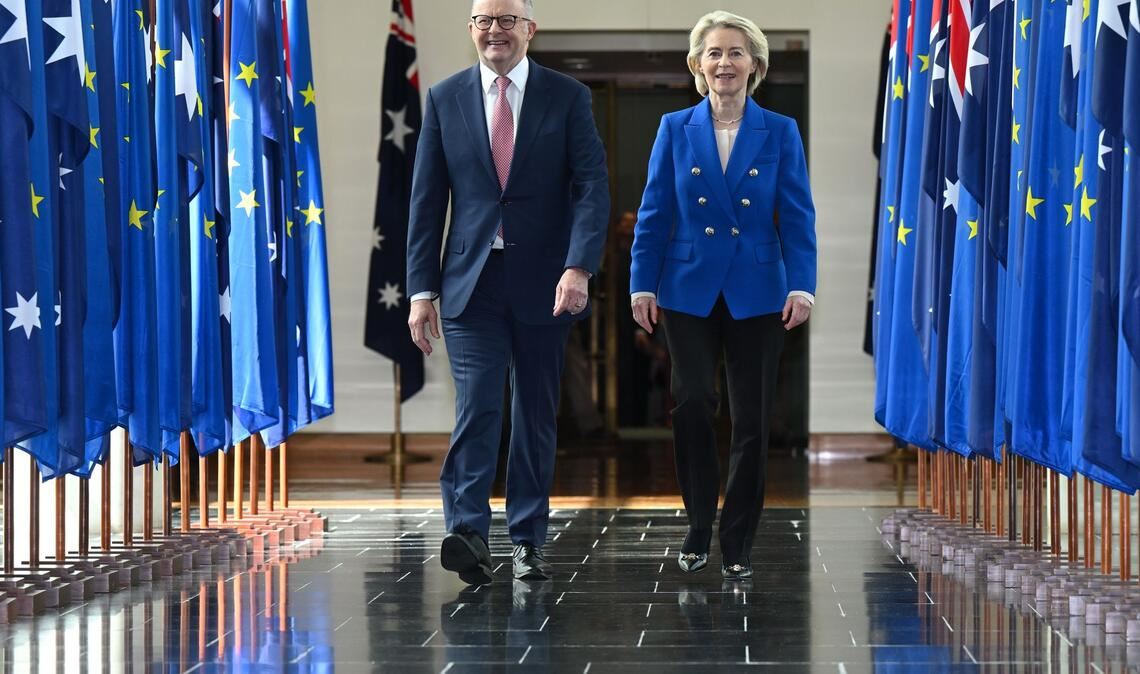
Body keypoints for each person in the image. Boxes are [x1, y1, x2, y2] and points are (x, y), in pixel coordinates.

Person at [406, 0, 609, 585]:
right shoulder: (445, 98)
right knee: (478, 409)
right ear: (471, 30)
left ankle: (527, 540)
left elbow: (592, 187)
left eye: (507, 20)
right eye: (484, 20)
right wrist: (421, 290)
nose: (495, 30)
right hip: (470, 284)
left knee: (535, 415)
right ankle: (468, 532)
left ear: (529, 29)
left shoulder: (567, 96)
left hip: (548, 284)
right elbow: (426, 202)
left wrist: (580, 266)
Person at [629, 10, 816, 580]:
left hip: (759, 290)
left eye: (736, 53)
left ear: (755, 65)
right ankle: (697, 526)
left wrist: (802, 284)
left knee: (753, 419)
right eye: (714, 52)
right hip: (687, 290)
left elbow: (798, 214)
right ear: (697, 64)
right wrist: (642, 279)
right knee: (690, 405)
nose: (724, 63)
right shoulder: (673, 127)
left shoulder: (779, 130)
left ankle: (738, 539)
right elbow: (655, 210)